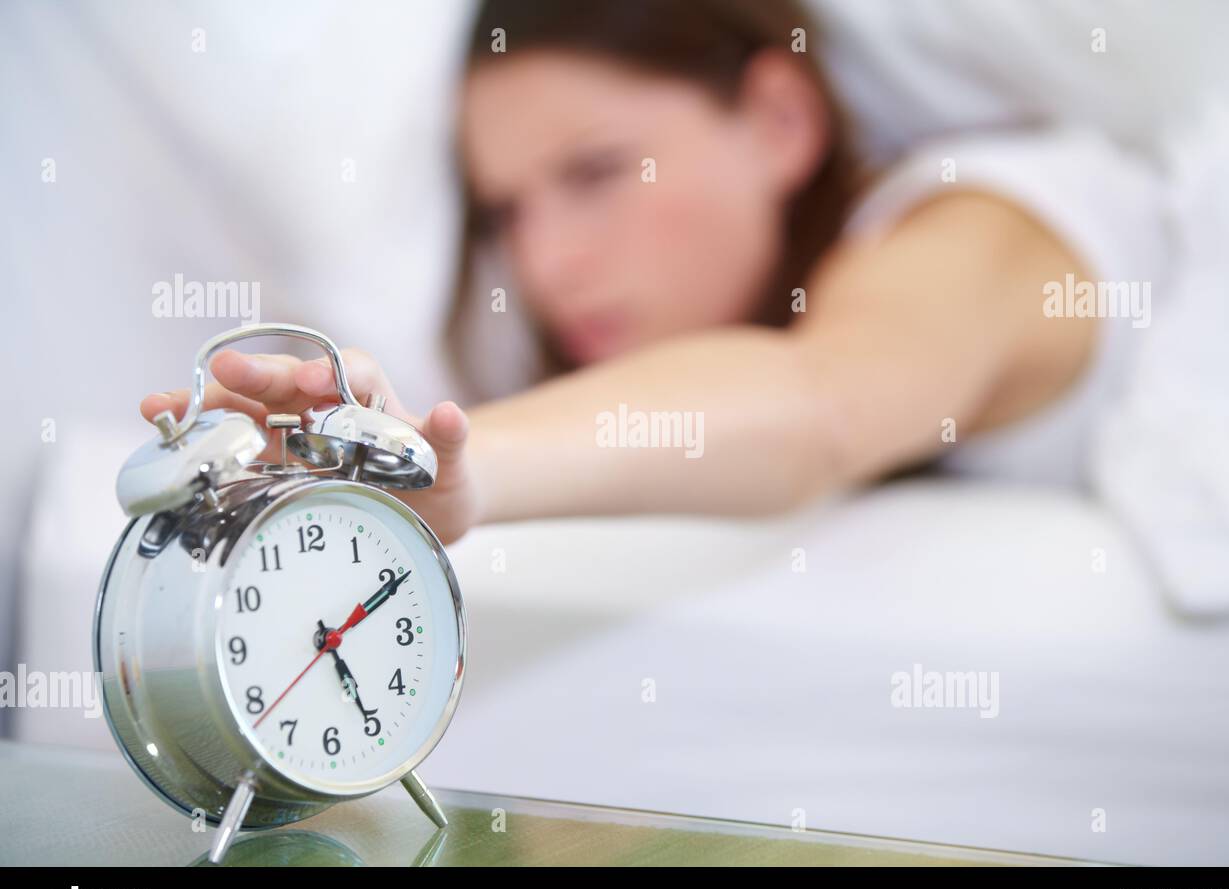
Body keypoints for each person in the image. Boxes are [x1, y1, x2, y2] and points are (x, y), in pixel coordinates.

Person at [141, 0, 1125, 547]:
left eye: (598, 172)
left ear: (781, 121)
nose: (543, 261)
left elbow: (819, 402)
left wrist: (456, 463)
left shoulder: (986, 226)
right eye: (507, 209)